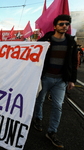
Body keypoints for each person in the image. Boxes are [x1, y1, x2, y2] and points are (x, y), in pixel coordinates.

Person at [33, 15, 77, 148]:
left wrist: (71, 80)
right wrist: (44, 47)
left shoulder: (71, 42)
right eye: (61, 24)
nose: (65, 26)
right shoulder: (45, 40)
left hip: (60, 81)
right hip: (45, 78)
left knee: (58, 106)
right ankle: (38, 119)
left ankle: (52, 132)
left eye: (67, 24)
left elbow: (73, 62)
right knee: (39, 100)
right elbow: (32, 50)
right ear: (55, 26)